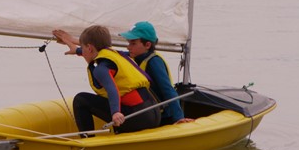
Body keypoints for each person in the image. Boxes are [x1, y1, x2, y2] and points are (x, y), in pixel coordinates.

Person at [54, 22, 194, 126]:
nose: (128, 46)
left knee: (81, 99)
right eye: (128, 43)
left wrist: (178, 118)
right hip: (150, 111)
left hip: (162, 116)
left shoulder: (154, 62)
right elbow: (106, 51)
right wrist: (76, 47)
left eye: (133, 43)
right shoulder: (133, 57)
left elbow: (168, 90)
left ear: (147, 45)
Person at [54, 25, 161, 134]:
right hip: (154, 114)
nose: (82, 51)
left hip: (140, 119)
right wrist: (77, 50)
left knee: (80, 100)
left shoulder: (101, 69)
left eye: (83, 48)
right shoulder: (118, 54)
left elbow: (112, 90)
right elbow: (94, 50)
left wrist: (115, 112)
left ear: (89, 48)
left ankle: (87, 139)